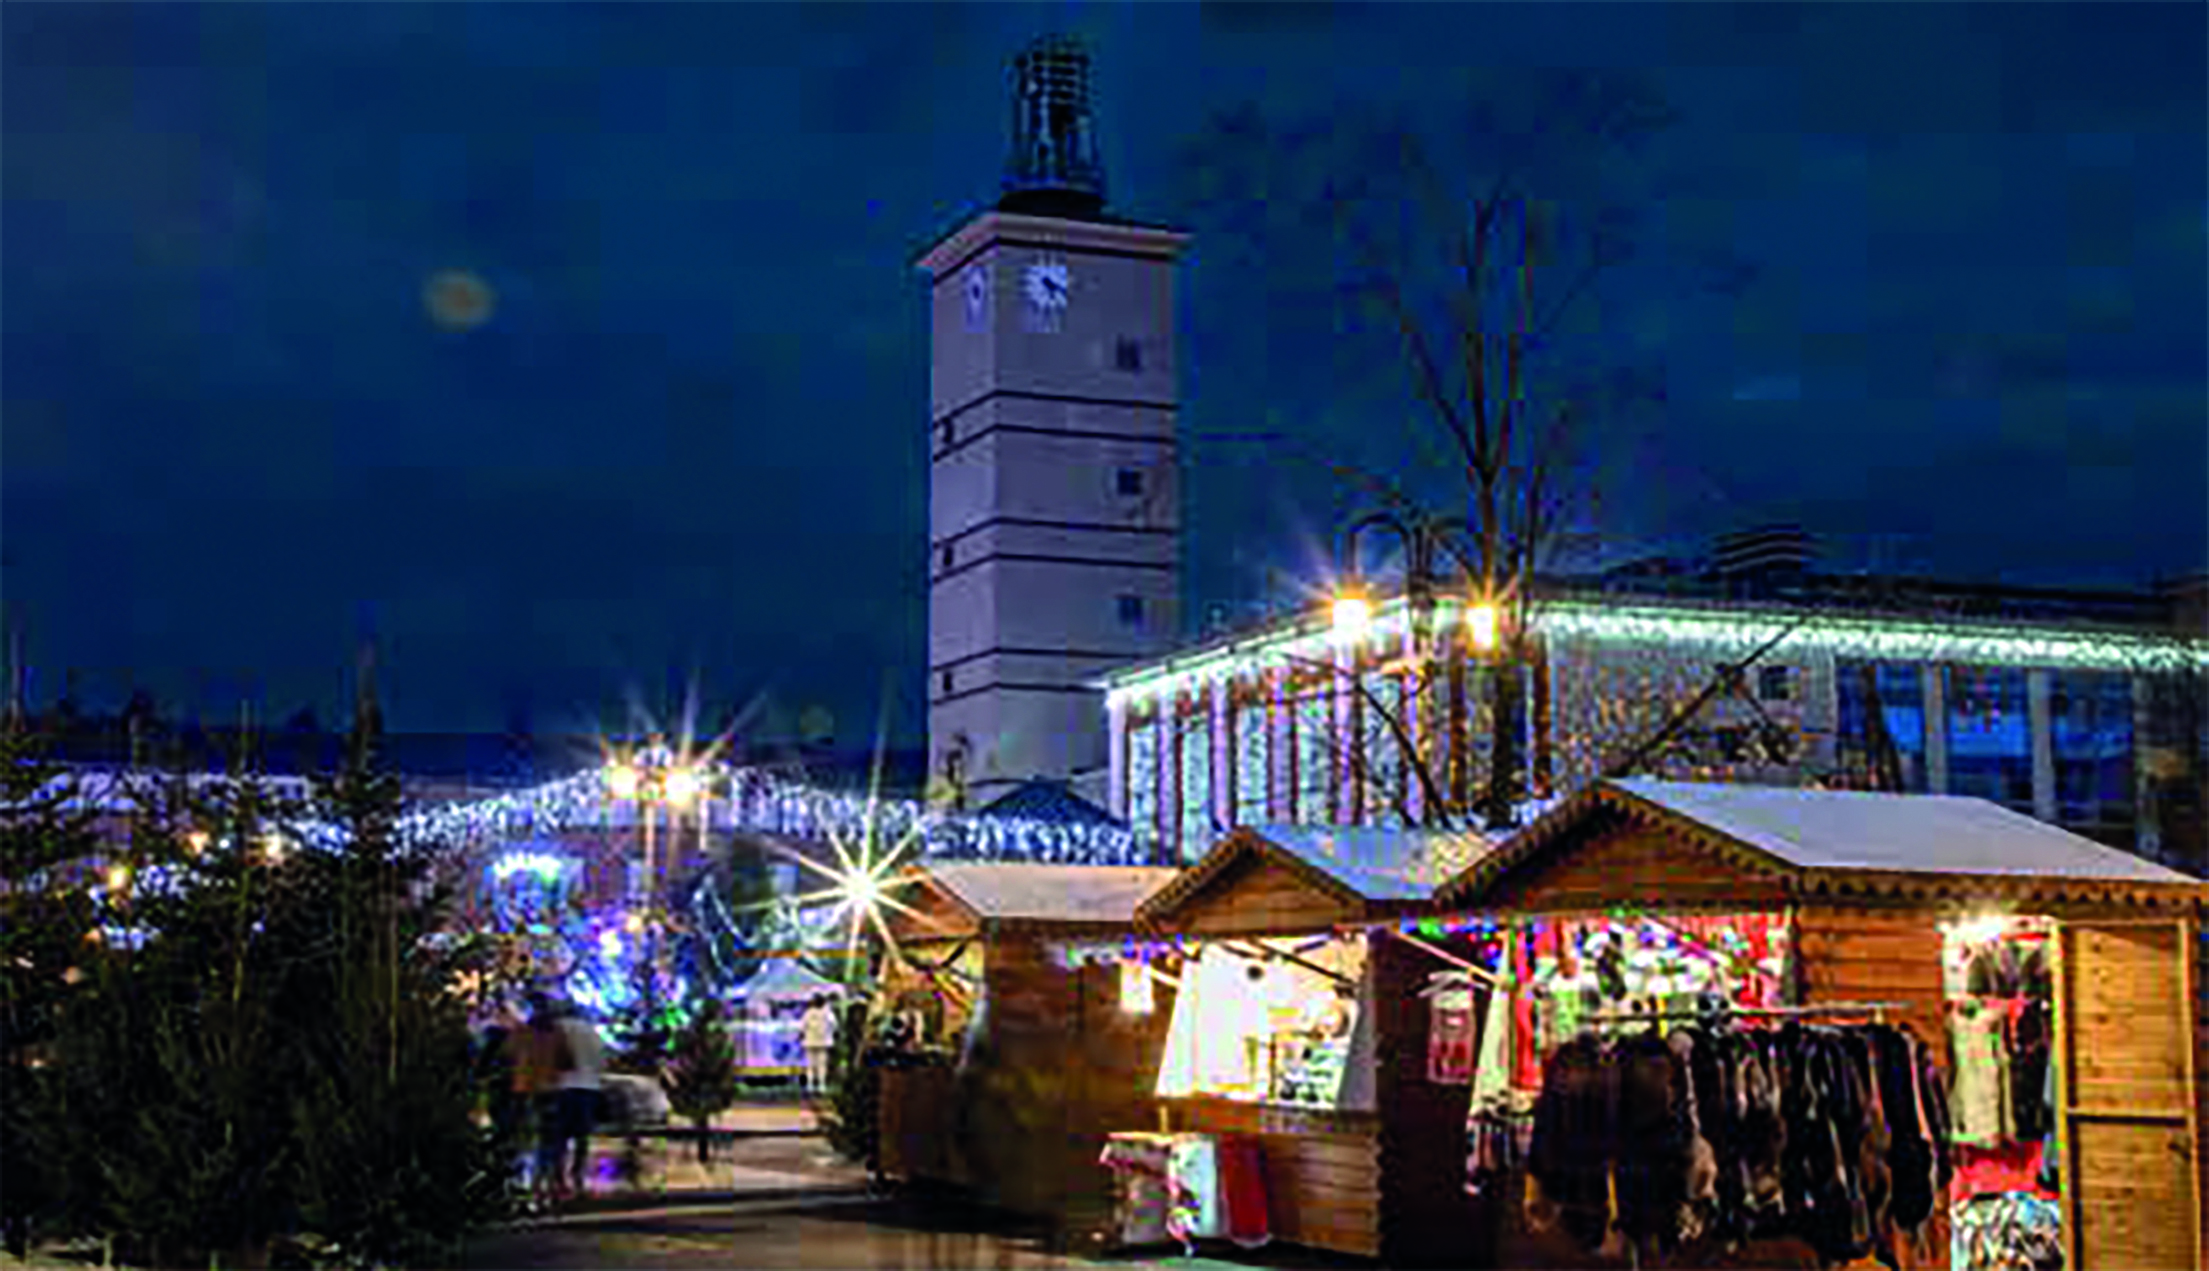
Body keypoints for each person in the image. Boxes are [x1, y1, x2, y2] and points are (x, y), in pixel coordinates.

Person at [552, 999, 607, 1197]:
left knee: (559, 1136)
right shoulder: (592, 1032)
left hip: (561, 1086)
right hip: (589, 1087)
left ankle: (558, 1177)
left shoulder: (557, 1028)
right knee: (582, 1137)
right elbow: (602, 1062)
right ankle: (578, 1175)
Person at [799, 994, 838, 1097]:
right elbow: (834, 1026)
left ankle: (810, 1084)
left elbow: (802, 1027)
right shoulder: (828, 1013)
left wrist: (802, 1036)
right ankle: (821, 1085)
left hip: (810, 1041)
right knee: (822, 1065)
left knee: (810, 1065)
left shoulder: (808, 1013)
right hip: (824, 1042)